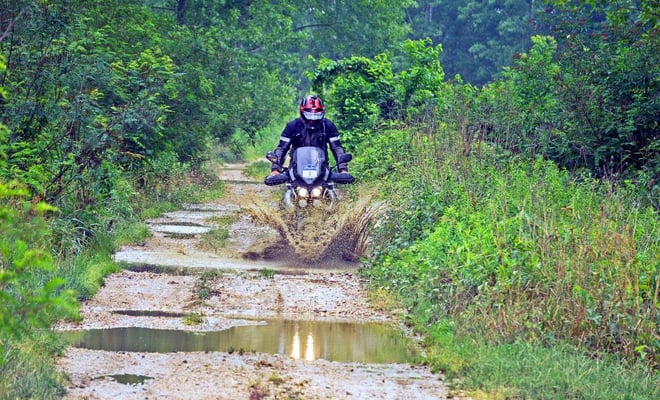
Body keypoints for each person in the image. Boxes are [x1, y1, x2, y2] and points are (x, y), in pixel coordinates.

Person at [268, 95, 349, 176]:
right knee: (288, 185)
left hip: (322, 170)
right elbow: (282, 148)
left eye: (317, 113)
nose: (312, 120)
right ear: (302, 112)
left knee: (331, 186)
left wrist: (343, 169)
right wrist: (275, 169)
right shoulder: (292, 126)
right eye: (309, 114)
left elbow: (337, 148)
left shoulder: (328, 126)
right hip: (296, 170)